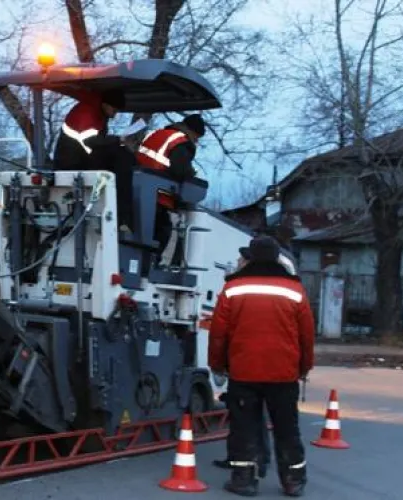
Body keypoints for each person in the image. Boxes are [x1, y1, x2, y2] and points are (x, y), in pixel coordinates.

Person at [208, 234, 315, 497]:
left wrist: (218, 365)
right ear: (278, 257)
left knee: (244, 427)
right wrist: (304, 367)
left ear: (251, 257)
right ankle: (293, 479)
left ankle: (244, 480)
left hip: (244, 371)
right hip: (284, 372)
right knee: (287, 427)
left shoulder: (233, 288)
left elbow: (219, 332)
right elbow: (306, 335)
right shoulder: (294, 290)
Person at [52, 89, 137, 233]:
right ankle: (122, 217)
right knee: (123, 158)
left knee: (122, 155)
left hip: (79, 158)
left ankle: (121, 215)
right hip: (72, 162)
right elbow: (90, 141)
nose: (115, 114)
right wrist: (118, 140)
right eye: (115, 110)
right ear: (106, 105)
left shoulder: (96, 112)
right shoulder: (87, 113)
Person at [135, 114, 205, 267]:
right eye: (197, 137)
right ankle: (153, 263)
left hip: (136, 188)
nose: (196, 141)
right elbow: (180, 170)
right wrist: (192, 176)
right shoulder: (181, 142)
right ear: (192, 131)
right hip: (158, 194)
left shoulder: (156, 134)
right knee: (164, 230)